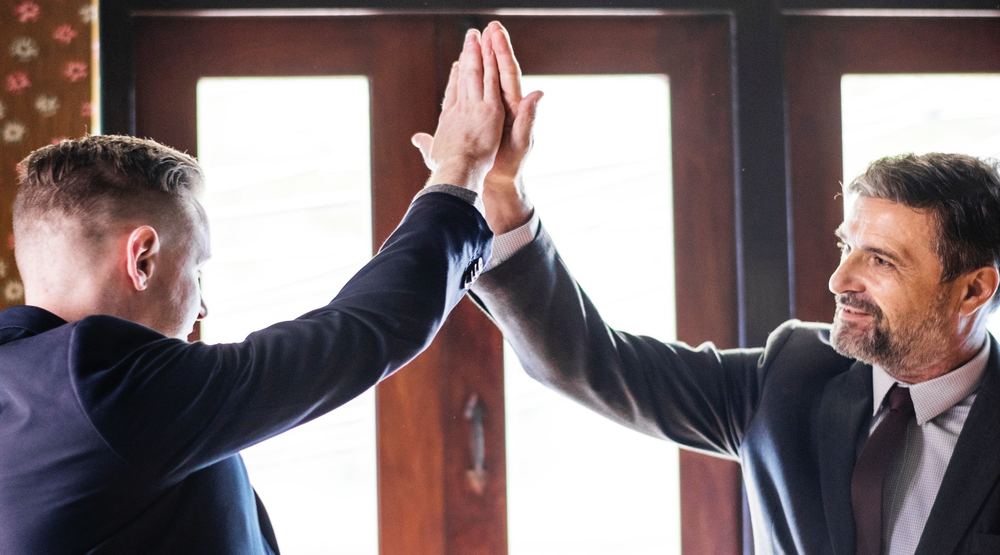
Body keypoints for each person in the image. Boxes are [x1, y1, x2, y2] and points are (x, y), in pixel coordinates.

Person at [422, 21, 1000, 555]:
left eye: (881, 261)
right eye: (846, 246)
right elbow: (589, 363)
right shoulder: (790, 377)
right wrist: (500, 194)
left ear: (973, 291)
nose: (840, 280)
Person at [0, 28, 504, 554]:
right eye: (196, 271)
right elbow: (361, 333)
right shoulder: (105, 390)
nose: (202, 306)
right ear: (142, 259)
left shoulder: (26, 382)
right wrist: (461, 167)